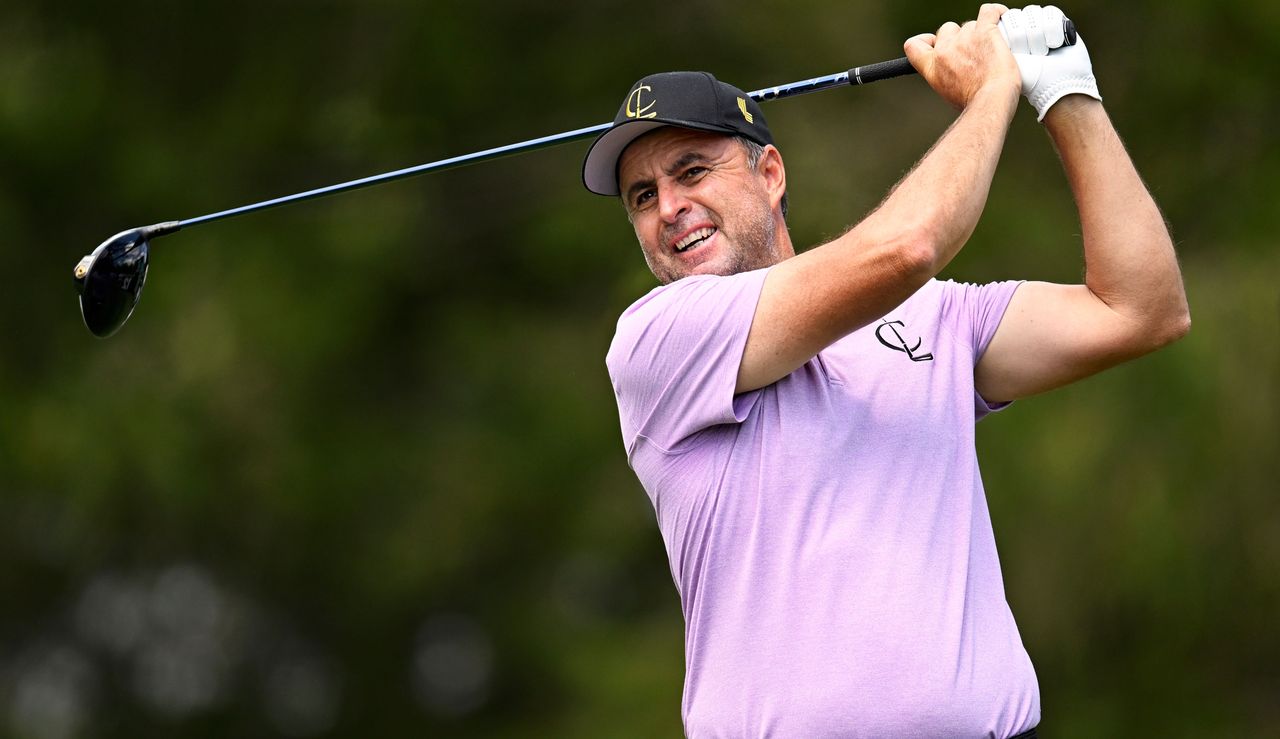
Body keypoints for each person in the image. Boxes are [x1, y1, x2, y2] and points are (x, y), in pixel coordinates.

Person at [580, 4, 1189, 737]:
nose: (671, 208)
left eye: (691, 171)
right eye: (643, 197)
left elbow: (1141, 309)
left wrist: (1064, 89)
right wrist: (997, 87)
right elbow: (904, 250)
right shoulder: (658, 339)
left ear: (768, 172)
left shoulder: (936, 318)